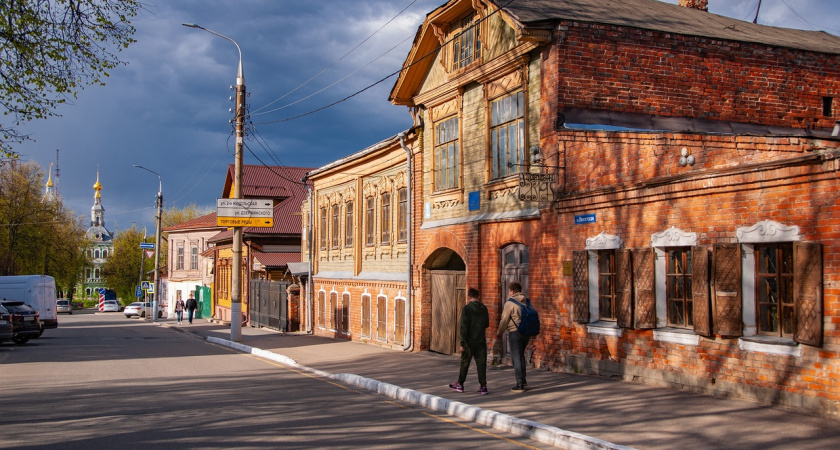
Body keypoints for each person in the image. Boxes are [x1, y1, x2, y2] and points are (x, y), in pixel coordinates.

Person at [449, 287, 490, 395]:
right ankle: (483, 386)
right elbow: (487, 324)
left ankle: (460, 384)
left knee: (465, 363)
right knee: (481, 364)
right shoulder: (484, 308)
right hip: (480, 341)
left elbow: (464, 327)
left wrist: (462, 342)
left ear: (468, 297)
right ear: (478, 296)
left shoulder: (466, 309)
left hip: (468, 341)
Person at [497, 282, 529, 393]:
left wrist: (499, 332)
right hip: (527, 332)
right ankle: (523, 380)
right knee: (521, 355)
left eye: (510, 291)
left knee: (516, 357)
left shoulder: (510, 303)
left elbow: (504, 319)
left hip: (515, 332)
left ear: (512, 291)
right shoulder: (527, 301)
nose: (509, 293)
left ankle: (520, 384)